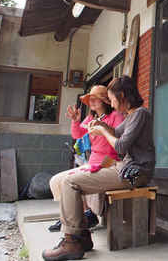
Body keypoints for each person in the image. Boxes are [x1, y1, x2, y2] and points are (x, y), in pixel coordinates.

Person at [42, 76, 155, 261]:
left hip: (136, 173)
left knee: (70, 182)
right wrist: (102, 124)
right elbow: (117, 133)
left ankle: (72, 241)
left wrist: (102, 130)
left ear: (123, 95)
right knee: (68, 181)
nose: (110, 103)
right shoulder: (132, 116)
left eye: (112, 99)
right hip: (125, 168)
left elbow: (120, 146)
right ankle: (82, 237)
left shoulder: (140, 114)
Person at [48, 85, 124, 232]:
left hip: (110, 162)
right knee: (56, 180)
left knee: (73, 179)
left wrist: (105, 130)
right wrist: (76, 121)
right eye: (90, 99)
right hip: (92, 162)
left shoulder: (115, 116)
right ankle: (74, 214)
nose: (92, 102)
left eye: (96, 99)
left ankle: (82, 216)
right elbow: (77, 135)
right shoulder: (91, 118)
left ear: (106, 101)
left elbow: (121, 140)